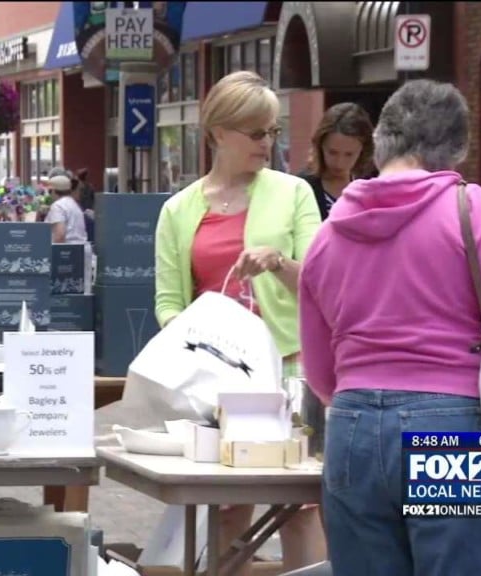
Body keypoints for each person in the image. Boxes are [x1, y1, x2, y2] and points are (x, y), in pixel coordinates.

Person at [298, 79, 481, 575]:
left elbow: (318, 367)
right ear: (457, 150)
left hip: (353, 426)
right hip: (454, 426)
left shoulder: (330, 231)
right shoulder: (469, 207)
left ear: (380, 141)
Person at [153, 70, 325, 574]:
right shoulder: (178, 210)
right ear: (218, 133)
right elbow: (169, 302)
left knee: (299, 507)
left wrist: (278, 261)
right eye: (256, 132)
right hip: (218, 380)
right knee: (227, 507)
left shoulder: (294, 193)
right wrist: (194, 345)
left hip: (289, 369)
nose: (267, 143)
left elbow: (323, 283)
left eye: (273, 131)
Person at [299, 103, 375, 221]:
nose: (339, 163)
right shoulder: (302, 186)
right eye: (332, 153)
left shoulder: (371, 184)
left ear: (363, 150)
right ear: (320, 146)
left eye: (349, 154)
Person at [45, 167, 88, 244]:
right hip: (80, 248)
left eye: (49, 191)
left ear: (53, 191)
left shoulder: (57, 206)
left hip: (67, 250)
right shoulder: (74, 205)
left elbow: (60, 236)